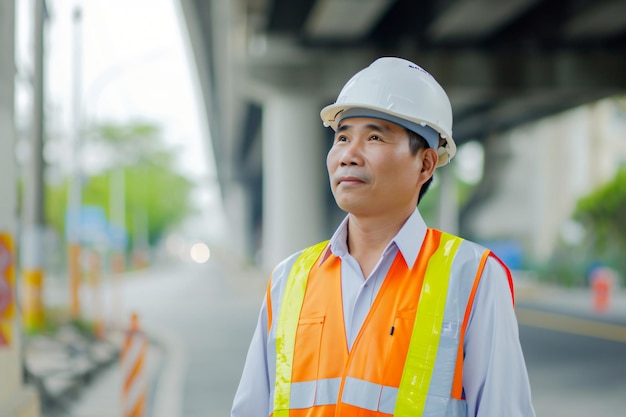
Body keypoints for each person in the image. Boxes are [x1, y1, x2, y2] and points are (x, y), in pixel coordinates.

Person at [231, 57, 536, 417]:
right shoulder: (289, 278)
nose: (348, 155)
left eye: (374, 137)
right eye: (342, 138)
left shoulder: (473, 277)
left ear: (425, 164)